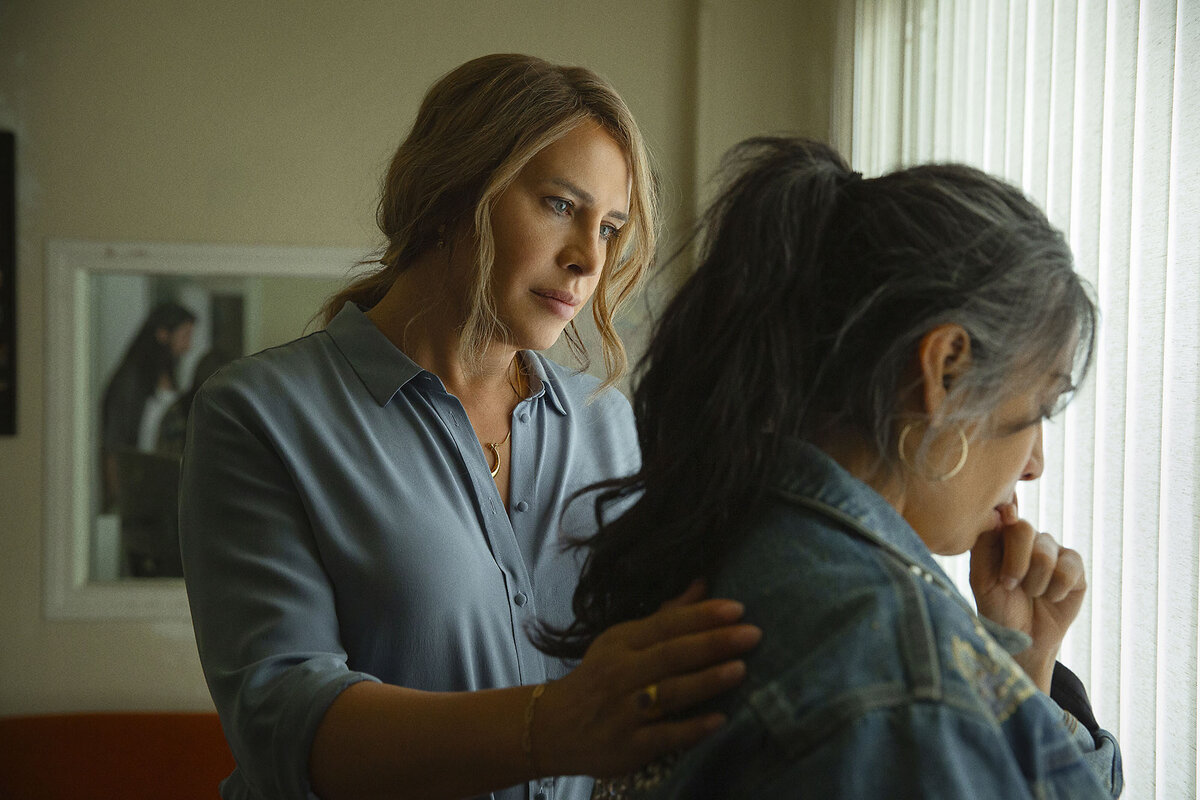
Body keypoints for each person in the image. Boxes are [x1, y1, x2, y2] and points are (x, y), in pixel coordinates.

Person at [179, 54, 761, 800]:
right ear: (454, 193)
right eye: (559, 204)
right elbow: (281, 723)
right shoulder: (259, 415)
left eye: (610, 227)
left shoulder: (606, 424)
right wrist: (553, 725)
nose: (589, 258)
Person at [539, 138, 1123, 798]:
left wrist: (1020, 665)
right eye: (1037, 405)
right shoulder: (901, 679)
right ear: (945, 369)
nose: (1035, 462)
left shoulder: (729, 538)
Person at [99, 300, 195, 511]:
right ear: (163, 334)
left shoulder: (170, 378)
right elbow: (113, 445)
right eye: (185, 335)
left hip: (167, 488)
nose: (188, 346)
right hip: (138, 489)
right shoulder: (130, 381)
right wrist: (116, 500)